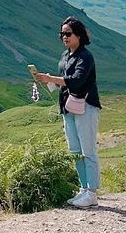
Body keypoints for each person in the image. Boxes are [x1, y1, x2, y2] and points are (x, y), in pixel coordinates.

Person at [34, 17, 102, 209]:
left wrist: (52, 78)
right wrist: (48, 81)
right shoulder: (65, 56)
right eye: (62, 34)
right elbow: (64, 82)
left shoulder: (85, 57)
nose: (64, 37)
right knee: (75, 150)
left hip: (86, 106)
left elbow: (76, 80)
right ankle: (83, 189)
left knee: (88, 150)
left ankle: (92, 192)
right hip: (68, 106)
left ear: (79, 35)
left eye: (68, 33)